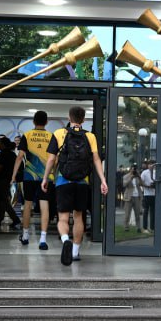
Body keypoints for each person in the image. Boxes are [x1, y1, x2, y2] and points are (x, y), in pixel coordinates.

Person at [43, 106, 108, 266]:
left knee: (63, 218)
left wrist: (45, 178)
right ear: (83, 119)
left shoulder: (59, 133)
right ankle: (75, 252)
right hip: (82, 182)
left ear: (69, 117)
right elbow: (96, 159)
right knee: (78, 217)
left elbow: (51, 159)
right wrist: (103, 180)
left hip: (63, 180)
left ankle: (66, 240)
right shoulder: (90, 136)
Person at [14, 111, 53, 249]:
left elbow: (20, 157)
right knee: (44, 205)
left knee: (27, 204)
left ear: (33, 122)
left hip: (29, 176)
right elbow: (55, 158)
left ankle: (25, 236)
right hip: (46, 176)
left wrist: (13, 175)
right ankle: (43, 239)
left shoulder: (28, 135)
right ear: (46, 122)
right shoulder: (51, 136)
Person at [0, 136, 20, 230]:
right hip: (8, 179)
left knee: (3, 200)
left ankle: (15, 218)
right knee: (2, 200)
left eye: (0, 144)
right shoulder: (12, 154)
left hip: (1, 180)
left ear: (3, 145)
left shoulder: (2, 154)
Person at [122, 164, 144, 229]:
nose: (133, 170)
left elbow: (142, 184)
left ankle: (138, 227)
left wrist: (139, 177)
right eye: (133, 169)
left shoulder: (137, 176)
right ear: (130, 169)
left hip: (137, 196)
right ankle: (126, 227)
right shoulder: (126, 176)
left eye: (135, 169)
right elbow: (124, 184)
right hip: (129, 197)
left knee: (137, 214)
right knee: (127, 214)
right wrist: (130, 178)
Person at [139, 159, 157, 233]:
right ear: (148, 165)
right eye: (149, 164)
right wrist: (147, 186)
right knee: (146, 211)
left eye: (152, 164)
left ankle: (152, 228)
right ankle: (145, 228)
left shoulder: (157, 172)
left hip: (155, 194)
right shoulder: (144, 172)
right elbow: (140, 182)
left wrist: (154, 185)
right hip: (147, 194)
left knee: (153, 211)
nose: (151, 166)